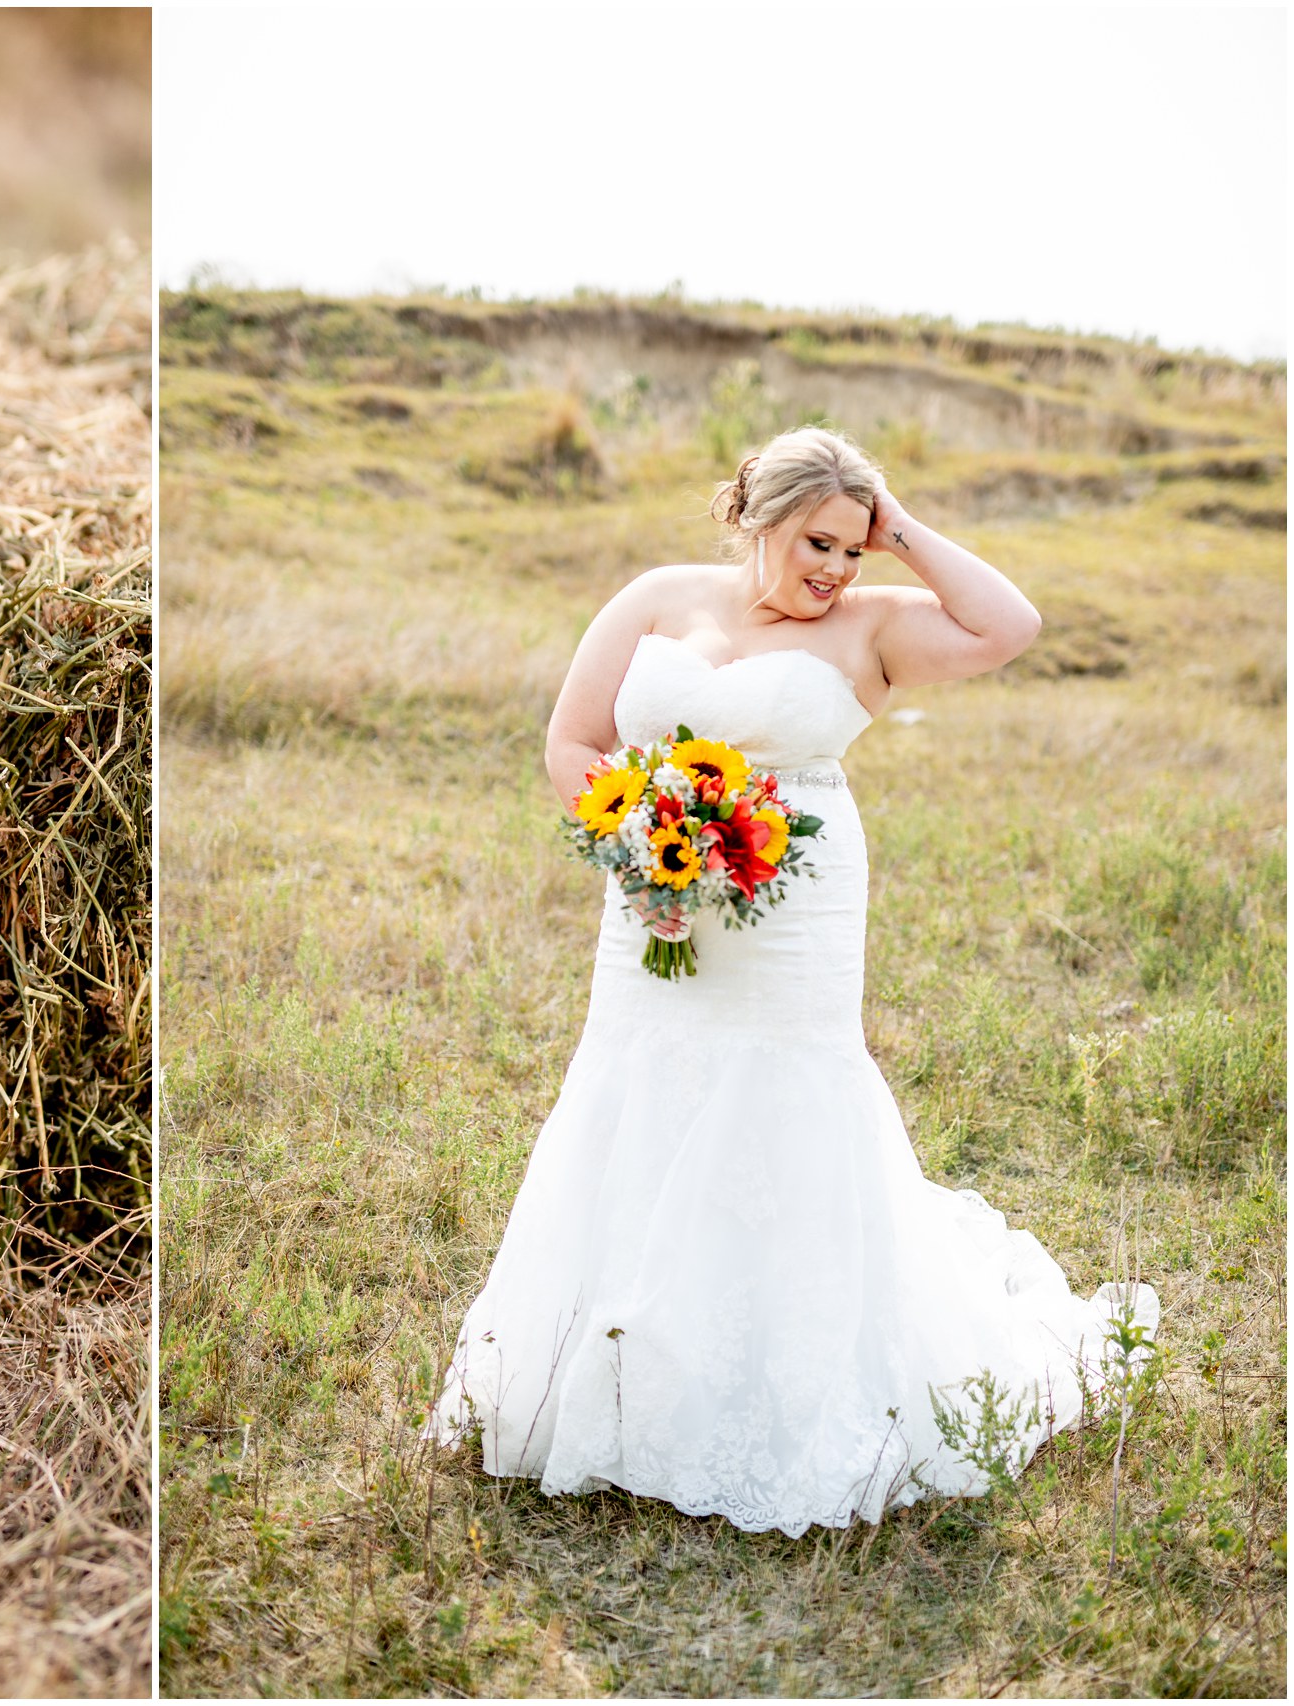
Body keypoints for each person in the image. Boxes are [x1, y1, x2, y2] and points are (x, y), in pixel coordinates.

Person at [424, 426, 1158, 1536]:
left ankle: (785, 1380)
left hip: (796, 911)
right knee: (641, 1080)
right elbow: (572, 742)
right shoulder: (659, 599)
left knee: (784, 1095)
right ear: (754, 515)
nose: (837, 570)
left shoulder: (874, 629)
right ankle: (620, 1368)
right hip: (657, 896)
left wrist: (894, 520)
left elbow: (1013, 626)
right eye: (819, 540)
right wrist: (638, 831)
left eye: (855, 550)